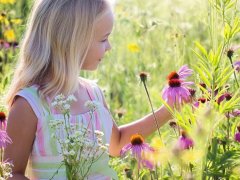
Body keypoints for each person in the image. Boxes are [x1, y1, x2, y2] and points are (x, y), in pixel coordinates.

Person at [3, 0, 173, 179]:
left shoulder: (93, 94)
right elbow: (12, 173)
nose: (109, 47)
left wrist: (167, 110)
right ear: (72, 41)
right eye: (103, 39)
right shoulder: (30, 105)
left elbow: (116, 144)